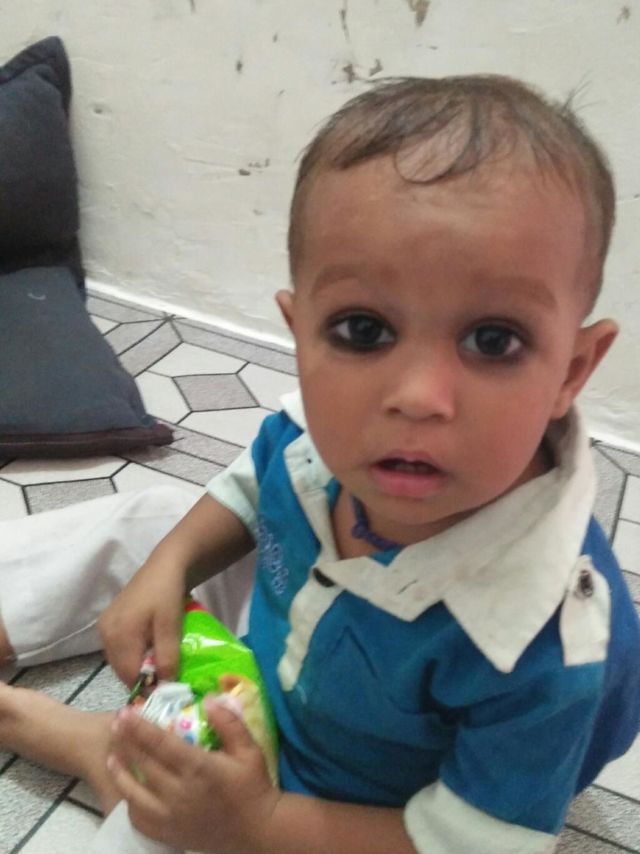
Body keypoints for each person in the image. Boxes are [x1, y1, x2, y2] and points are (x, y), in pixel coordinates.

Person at [1, 74, 640, 854]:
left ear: (572, 371)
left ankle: (103, 756)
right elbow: (251, 483)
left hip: (346, 811)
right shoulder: (321, 437)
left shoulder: (549, 646)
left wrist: (258, 823)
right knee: (160, 521)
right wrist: (168, 568)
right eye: (363, 330)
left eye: (493, 340)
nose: (417, 397)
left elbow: (476, 842)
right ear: (298, 331)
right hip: (285, 665)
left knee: (152, 835)